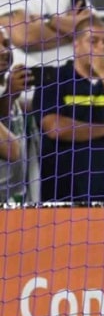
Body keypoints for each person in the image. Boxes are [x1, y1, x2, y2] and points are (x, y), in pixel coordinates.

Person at [32, 16, 104, 202]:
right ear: (76, 45)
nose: (101, 47)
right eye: (93, 41)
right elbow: (55, 128)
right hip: (62, 188)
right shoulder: (53, 79)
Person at [0, 0, 93, 68]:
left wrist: (49, 22)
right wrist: (75, 30)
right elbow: (25, 37)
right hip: (30, 76)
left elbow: (95, 32)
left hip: (76, 75)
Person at [0, 26, 34, 202]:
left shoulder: (8, 91)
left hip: (15, 199)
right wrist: (9, 95)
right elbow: (12, 149)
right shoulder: (8, 93)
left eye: (6, 44)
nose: (3, 51)